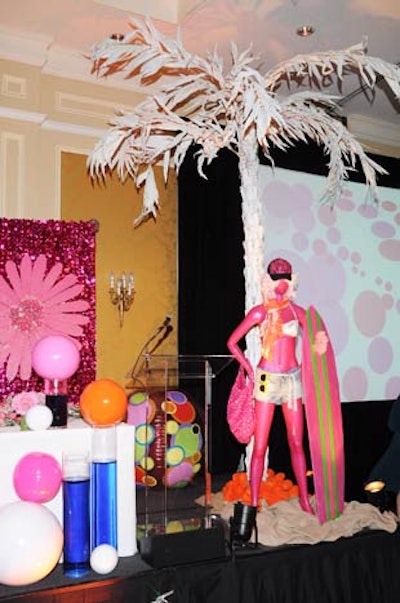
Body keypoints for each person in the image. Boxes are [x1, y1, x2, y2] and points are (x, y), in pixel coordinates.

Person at [227, 257, 328, 516]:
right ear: (268, 280)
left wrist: (317, 353)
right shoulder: (261, 311)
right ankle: (254, 501)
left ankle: (305, 499)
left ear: (291, 280)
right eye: (276, 277)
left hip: (292, 380)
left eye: (285, 277)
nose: (280, 283)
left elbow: (318, 341)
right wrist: (248, 368)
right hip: (266, 379)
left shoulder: (298, 312)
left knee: (296, 442)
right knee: (260, 445)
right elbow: (232, 342)